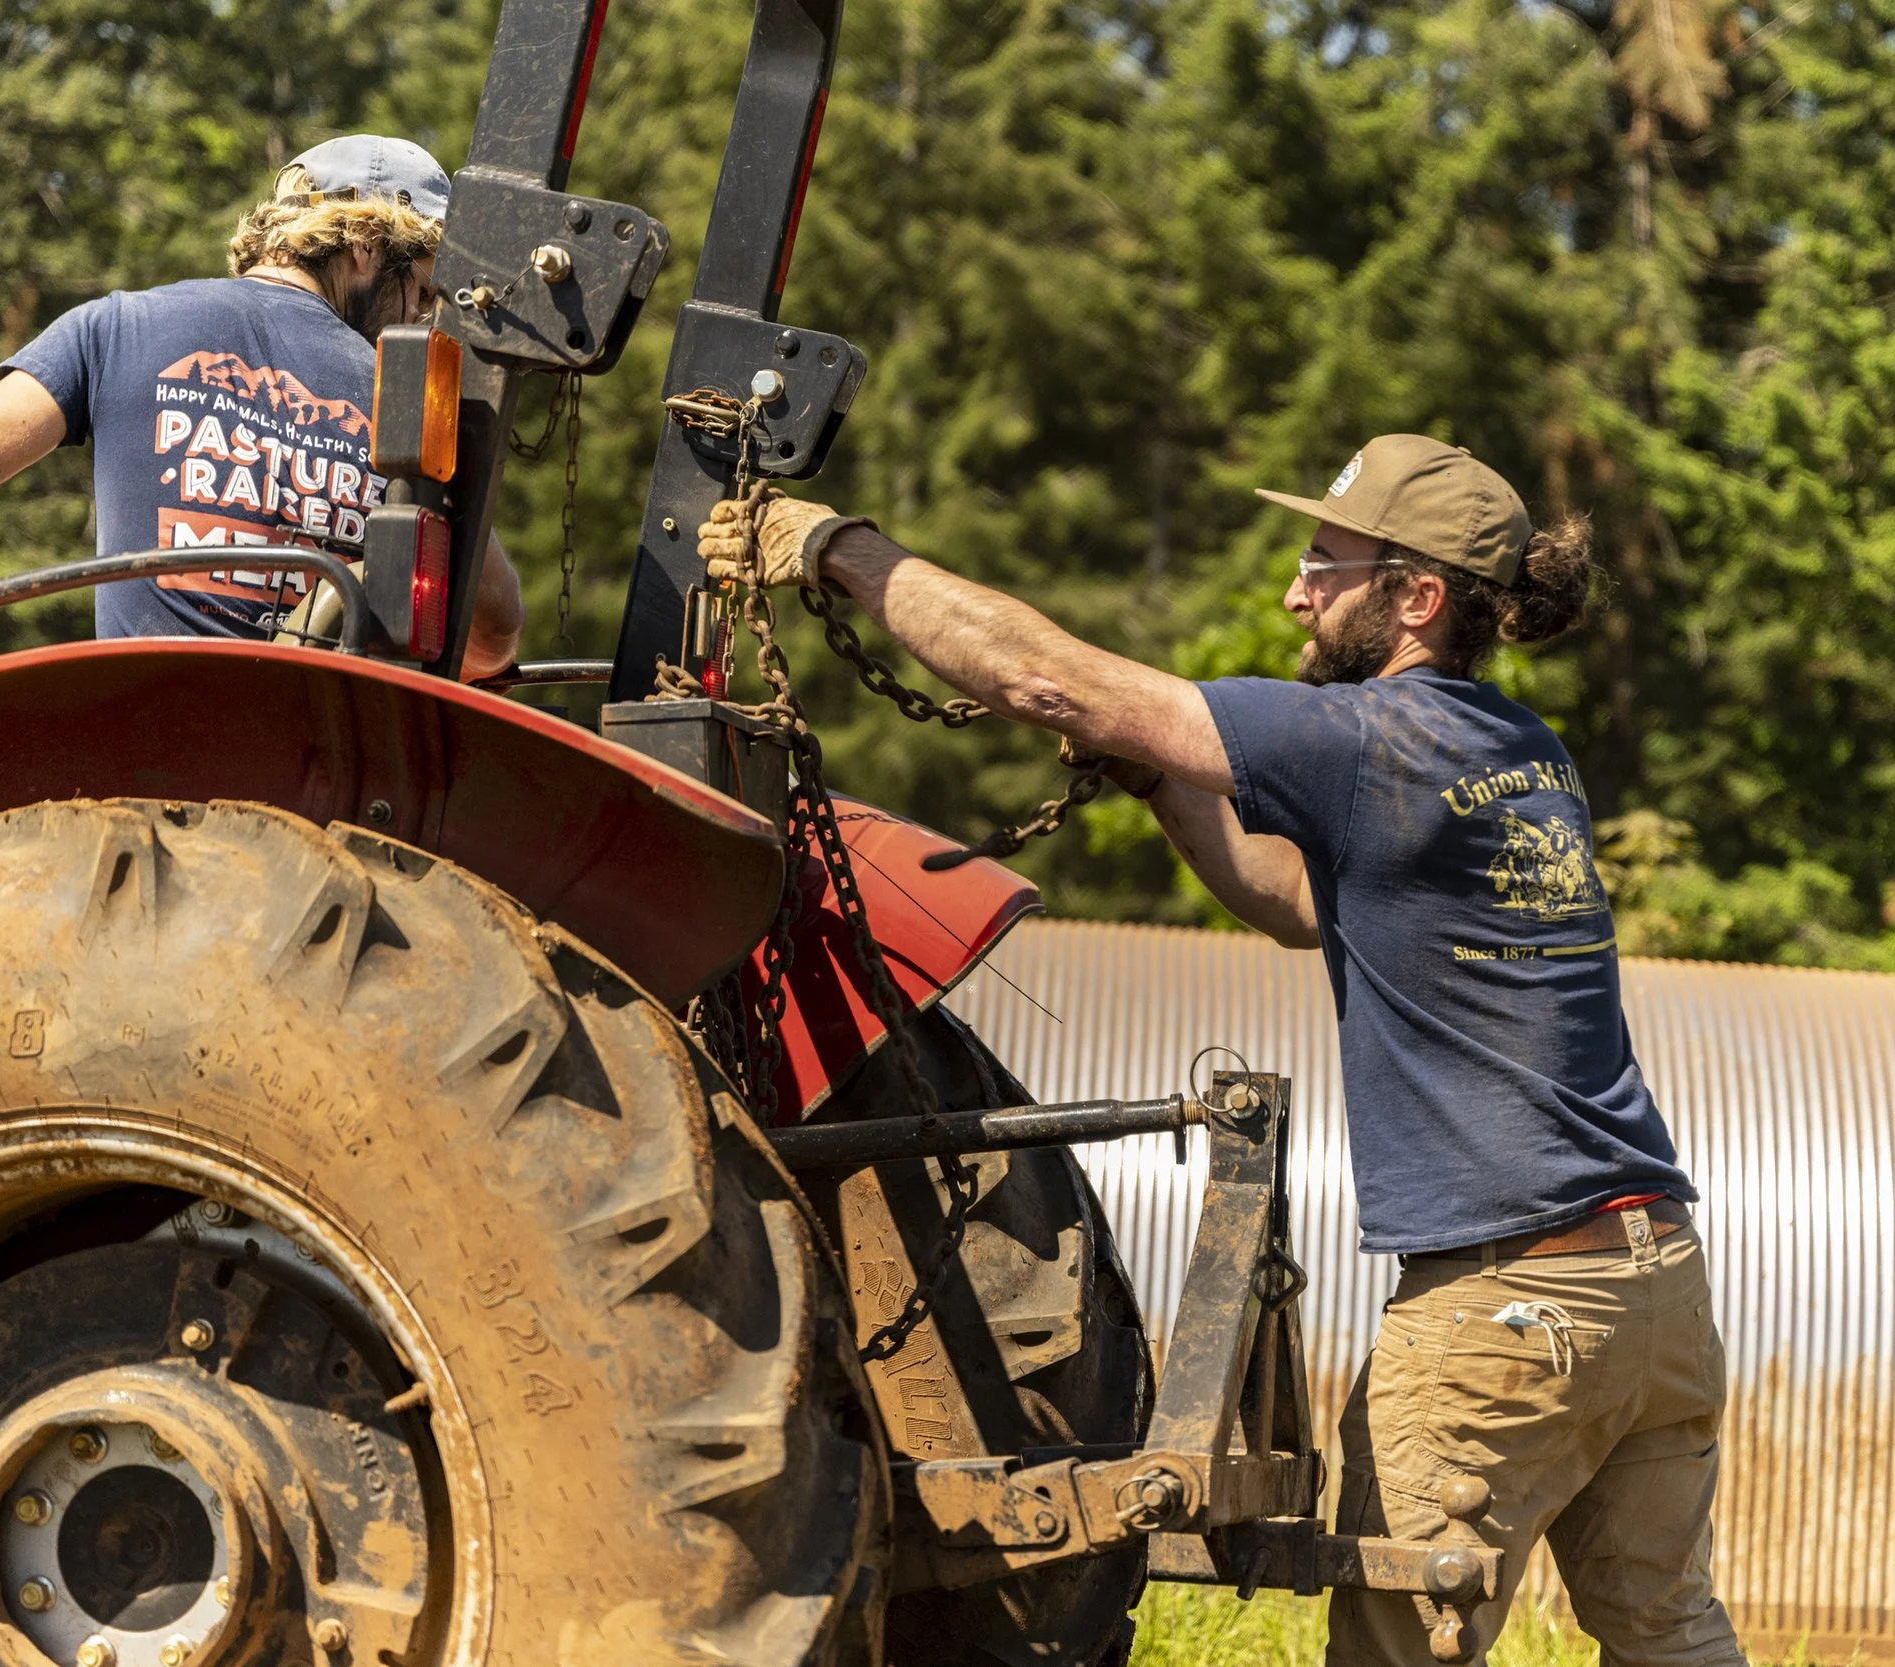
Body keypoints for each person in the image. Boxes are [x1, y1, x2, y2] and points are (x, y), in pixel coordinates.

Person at [701, 436, 1742, 1667]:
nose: (1298, 589)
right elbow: (1307, 903)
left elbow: (1049, 679)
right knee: (1666, 1630)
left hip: (1501, 1315)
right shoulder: (1519, 755)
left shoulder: (1367, 739)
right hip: (1652, 1286)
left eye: (1325, 561)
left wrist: (838, 551)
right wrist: (1168, 787)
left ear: (1415, 599)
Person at [0, 135, 521, 679]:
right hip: (329, 762)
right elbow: (492, 634)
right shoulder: (420, 403)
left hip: (144, 741)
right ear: (365, 246)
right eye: (419, 291)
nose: (418, 319)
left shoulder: (119, 326)